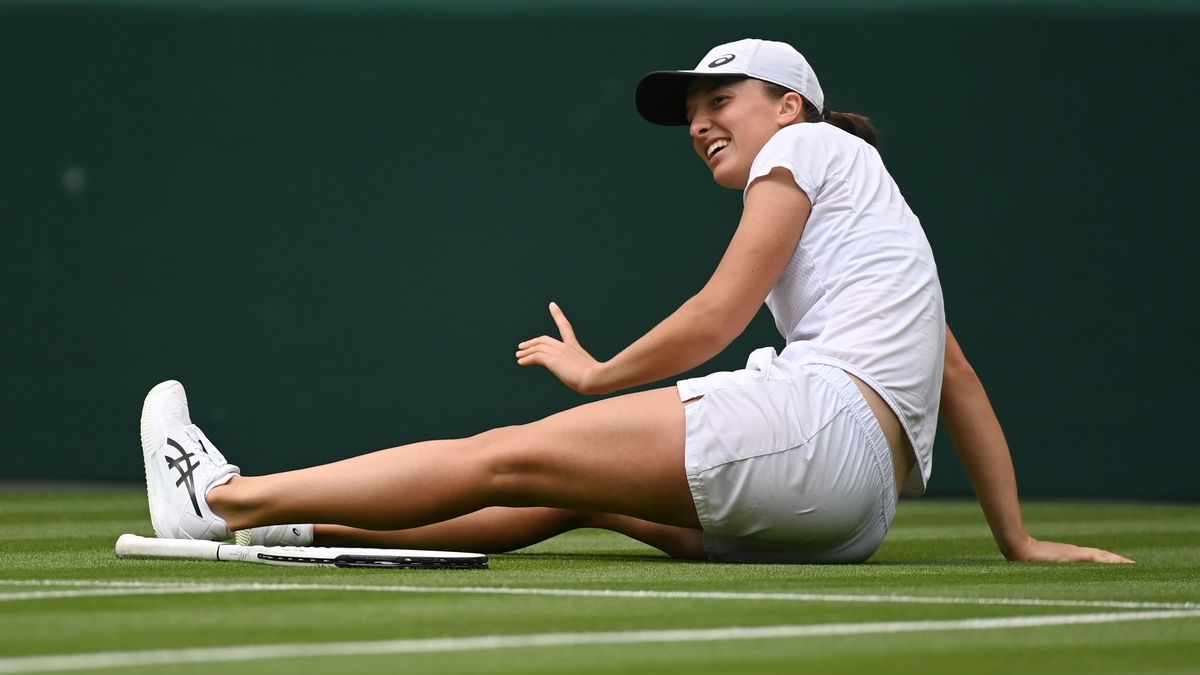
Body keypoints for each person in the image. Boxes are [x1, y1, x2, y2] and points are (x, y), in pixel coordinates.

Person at [140, 38, 1131, 564]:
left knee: (509, 454)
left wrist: (597, 376)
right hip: (855, 514)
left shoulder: (809, 147)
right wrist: (1017, 539)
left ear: (789, 107)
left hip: (816, 439)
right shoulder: (879, 229)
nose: (700, 124)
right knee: (556, 496)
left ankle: (221, 498)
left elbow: (717, 316)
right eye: (691, 114)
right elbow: (954, 374)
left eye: (721, 102)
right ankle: (293, 527)